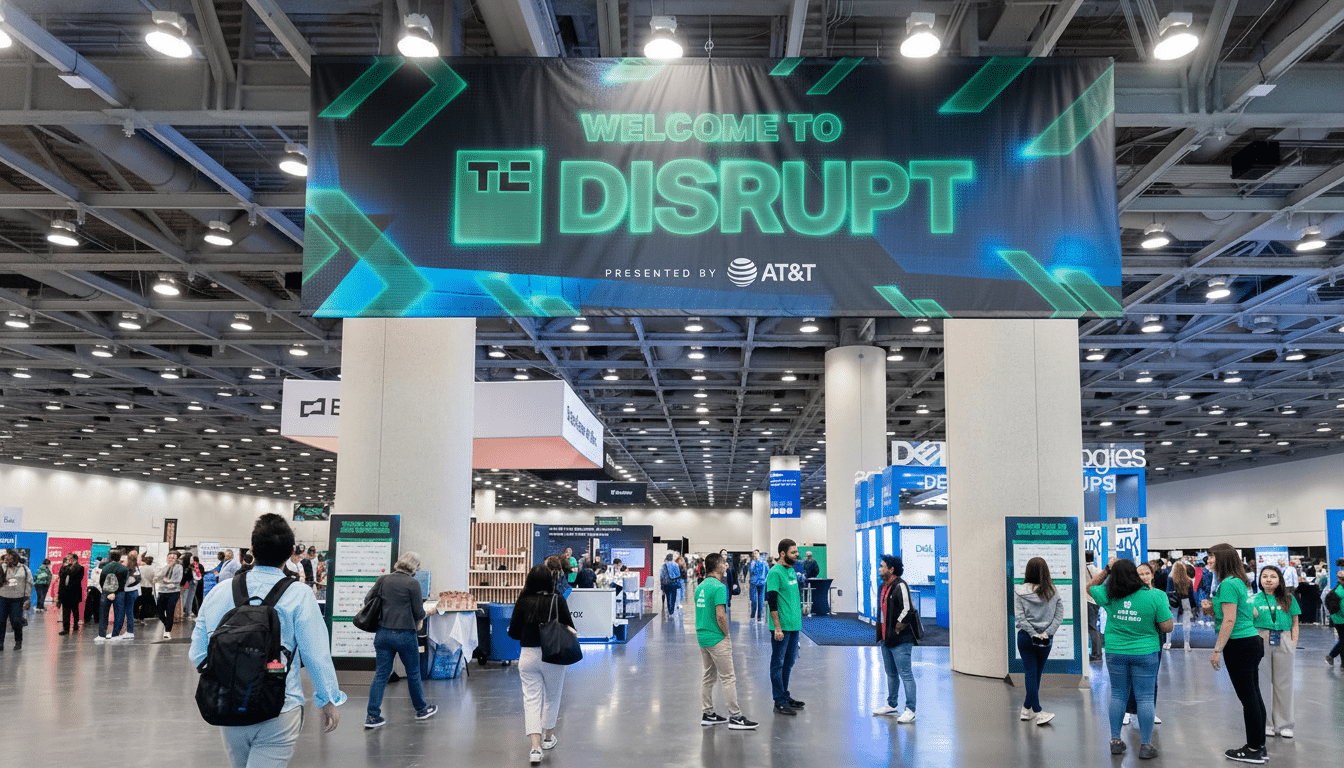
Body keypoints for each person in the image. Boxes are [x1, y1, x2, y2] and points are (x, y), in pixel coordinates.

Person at [191, 514, 344, 767]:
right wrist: (328, 699)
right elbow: (316, 654)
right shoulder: (300, 595)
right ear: (291, 553)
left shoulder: (221, 591)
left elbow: (198, 653)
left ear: (251, 550)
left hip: (228, 706)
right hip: (280, 706)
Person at [1087, 557, 1173, 760]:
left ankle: (1115, 740)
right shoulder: (1156, 596)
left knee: (1117, 695)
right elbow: (1167, 626)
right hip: (1146, 652)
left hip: (1116, 652)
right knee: (1144, 697)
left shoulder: (1109, 594)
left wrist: (1106, 570)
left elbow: (1090, 587)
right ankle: (1145, 745)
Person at [508, 565, 576, 765]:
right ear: (550, 580)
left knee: (531, 699)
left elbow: (513, 632)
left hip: (528, 655)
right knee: (552, 697)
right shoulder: (558, 600)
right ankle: (548, 738)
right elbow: (571, 628)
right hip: (553, 654)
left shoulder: (523, 601)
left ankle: (535, 748)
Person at [364, 551, 438, 729]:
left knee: (381, 674)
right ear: (415, 568)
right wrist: (429, 611)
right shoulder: (413, 584)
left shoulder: (382, 579)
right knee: (413, 673)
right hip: (405, 635)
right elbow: (418, 613)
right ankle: (421, 709)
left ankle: (372, 716)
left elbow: (368, 600)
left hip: (383, 634)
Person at [1207, 543, 1265, 764]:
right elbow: (1253, 611)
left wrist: (1217, 650)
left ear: (1222, 559)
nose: (1208, 561)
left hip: (1239, 644)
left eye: (1211, 557)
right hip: (1250, 640)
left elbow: (1230, 619)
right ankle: (1258, 745)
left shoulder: (1228, 584)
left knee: (1248, 697)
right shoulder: (1239, 582)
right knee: (1253, 695)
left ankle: (1253, 749)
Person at [695, 552, 757, 730]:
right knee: (728, 677)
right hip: (716, 638)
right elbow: (720, 615)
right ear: (716, 566)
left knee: (708, 676)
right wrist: (726, 635)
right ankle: (736, 717)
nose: (727, 566)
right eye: (724, 563)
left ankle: (708, 713)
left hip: (703, 637)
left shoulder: (701, 586)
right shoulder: (720, 587)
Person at [1013, 556, 1063, 726]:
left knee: (1031, 674)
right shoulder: (1053, 591)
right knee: (1036, 674)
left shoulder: (1019, 591)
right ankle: (1038, 712)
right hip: (1046, 640)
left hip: (1026, 638)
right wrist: (1047, 633)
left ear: (1028, 571)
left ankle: (1027, 709)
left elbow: (1020, 618)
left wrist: (1033, 633)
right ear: (1046, 572)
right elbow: (1059, 615)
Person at [1252, 565, 1298, 739]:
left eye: (1273, 576)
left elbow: (1295, 624)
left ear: (1280, 579)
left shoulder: (1288, 599)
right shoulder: (1253, 600)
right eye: (1265, 576)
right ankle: (1266, 723)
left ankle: (1285, 723)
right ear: (1260, 580)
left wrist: (1293, 643)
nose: (1268, 580)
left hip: (1283, 639)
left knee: (1284, 684)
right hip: (1260, 639)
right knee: (1261, 683)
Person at [873, 554, 918, 724]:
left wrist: (898, 628)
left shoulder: (901, 585)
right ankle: (891, 704)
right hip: (885, 639)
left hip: (900, 640)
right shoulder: (882, 587)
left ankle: (910, 709)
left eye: (882, 566)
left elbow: (908, 609)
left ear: (891, 569)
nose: (879, 569)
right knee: (891, 674)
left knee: (905, 674)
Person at [1124, 561, 1165, 727]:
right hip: (1135, 641)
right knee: (1129, 677)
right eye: (1140, 574)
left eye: (1147, 573)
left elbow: (1165, 620)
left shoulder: (1159, 595)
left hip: (1155, 640)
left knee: (1152, 677)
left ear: (1152, 575)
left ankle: (1150, 711)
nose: (1144, 577)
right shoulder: (1131, 596)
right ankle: (1127, 711)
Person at [767, 538, 805, 716]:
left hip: (794, 626)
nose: (797, 555)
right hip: (781, 628)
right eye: (793, 552)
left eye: (796, 552)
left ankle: (785, 694)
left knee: (789, 663)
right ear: (783, 554)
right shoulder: (775, 573)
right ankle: (779, 700)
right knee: (778, 663)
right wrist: (777, 628)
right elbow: (772, 602)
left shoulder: (791, 571)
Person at [0, 549, 32, 650]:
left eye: (8, 558)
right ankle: (0, 643)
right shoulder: (2, 567)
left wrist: (27, 598)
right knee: (1, 621)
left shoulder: (24, 568)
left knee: (16, 621)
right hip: (2, 598)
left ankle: (18, 641)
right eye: (5, 558)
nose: (6, 559)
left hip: (17, 599)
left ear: (14, 558)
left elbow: (29, 583)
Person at [96, 549, 130, 643]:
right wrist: (115, 593)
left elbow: (102, 581)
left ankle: (101, 635)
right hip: (120, 593)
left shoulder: (105, 568)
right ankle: (115, 634)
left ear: (110, 557)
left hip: (106, 593)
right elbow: (124, 583)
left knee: (103, 613)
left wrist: (108, 592)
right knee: (119, 613)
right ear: (120, 557)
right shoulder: (124, 569)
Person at [1167, 562, 1197, 650]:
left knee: (1170, 622)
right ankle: (1186, 644)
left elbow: (1168, 592)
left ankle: (1168, 642)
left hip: (1174, 602)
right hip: (1186, 601)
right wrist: (1193, 606)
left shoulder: (1170, 579)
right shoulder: (1188, 580)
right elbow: (1191, 595)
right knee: (1186, 624)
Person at [154, 551, 183, 639]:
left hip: (173, 592)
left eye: (173, 558)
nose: (171, 559)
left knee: (170, 611)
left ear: (176, 559)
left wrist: (167, 581)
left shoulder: (178, 567)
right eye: (169, 557)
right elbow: (157, 577)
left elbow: (178, 579)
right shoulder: (165, 567)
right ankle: (167, 624)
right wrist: (159, 578)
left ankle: (167, 631)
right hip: (162, 591)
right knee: (159, 612)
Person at [56, 553, 85, 635]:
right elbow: (61, 576)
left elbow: (74, 576)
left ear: (74, 560)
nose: (67, 560)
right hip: (65, 593)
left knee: (75, 610)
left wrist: (68, 567)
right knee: (65, 612)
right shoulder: (64, 567)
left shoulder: (80, 568)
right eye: (66, 559)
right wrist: (64, 566)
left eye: (69, 559)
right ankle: (66, 629)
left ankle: (76, 625)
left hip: (74, 593)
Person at [1084, 551, 1104, 661]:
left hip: (1087, 601)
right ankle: (1097, 653)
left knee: (1091, 628)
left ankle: (1097, 654)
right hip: (1095, 602)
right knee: (1092, 626)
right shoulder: (1098, 571)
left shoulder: (1083, 571)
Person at [1325, 558, 1344, 666]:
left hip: (1337, 617)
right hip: (1340, 618)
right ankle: (1331, 656)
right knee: (1343, 640)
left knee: (1342, 639)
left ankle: (1334, 658)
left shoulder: (1338, 588)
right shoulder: (1340, 591)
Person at [121, 551, 142, 639]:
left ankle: (129, 631)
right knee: (129, 612)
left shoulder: (128, 568)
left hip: (129, 591)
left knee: (128, 612)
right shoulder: (136, 568)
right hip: (134, 591)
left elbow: (125, 581)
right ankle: (129, 631)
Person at [747, 550, 768, 622]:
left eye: (756, 553)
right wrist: (756, 564)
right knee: (754, 600)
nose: (754, 554)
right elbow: (751, 571)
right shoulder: (752, 563)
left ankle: (759, 616)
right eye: (753, 553)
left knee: (761, 600)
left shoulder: (764, 562)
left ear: (759, 554)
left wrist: (764, 579)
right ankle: (753, 615)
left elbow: (767, 571)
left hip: (762, 583)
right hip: (753, 583)